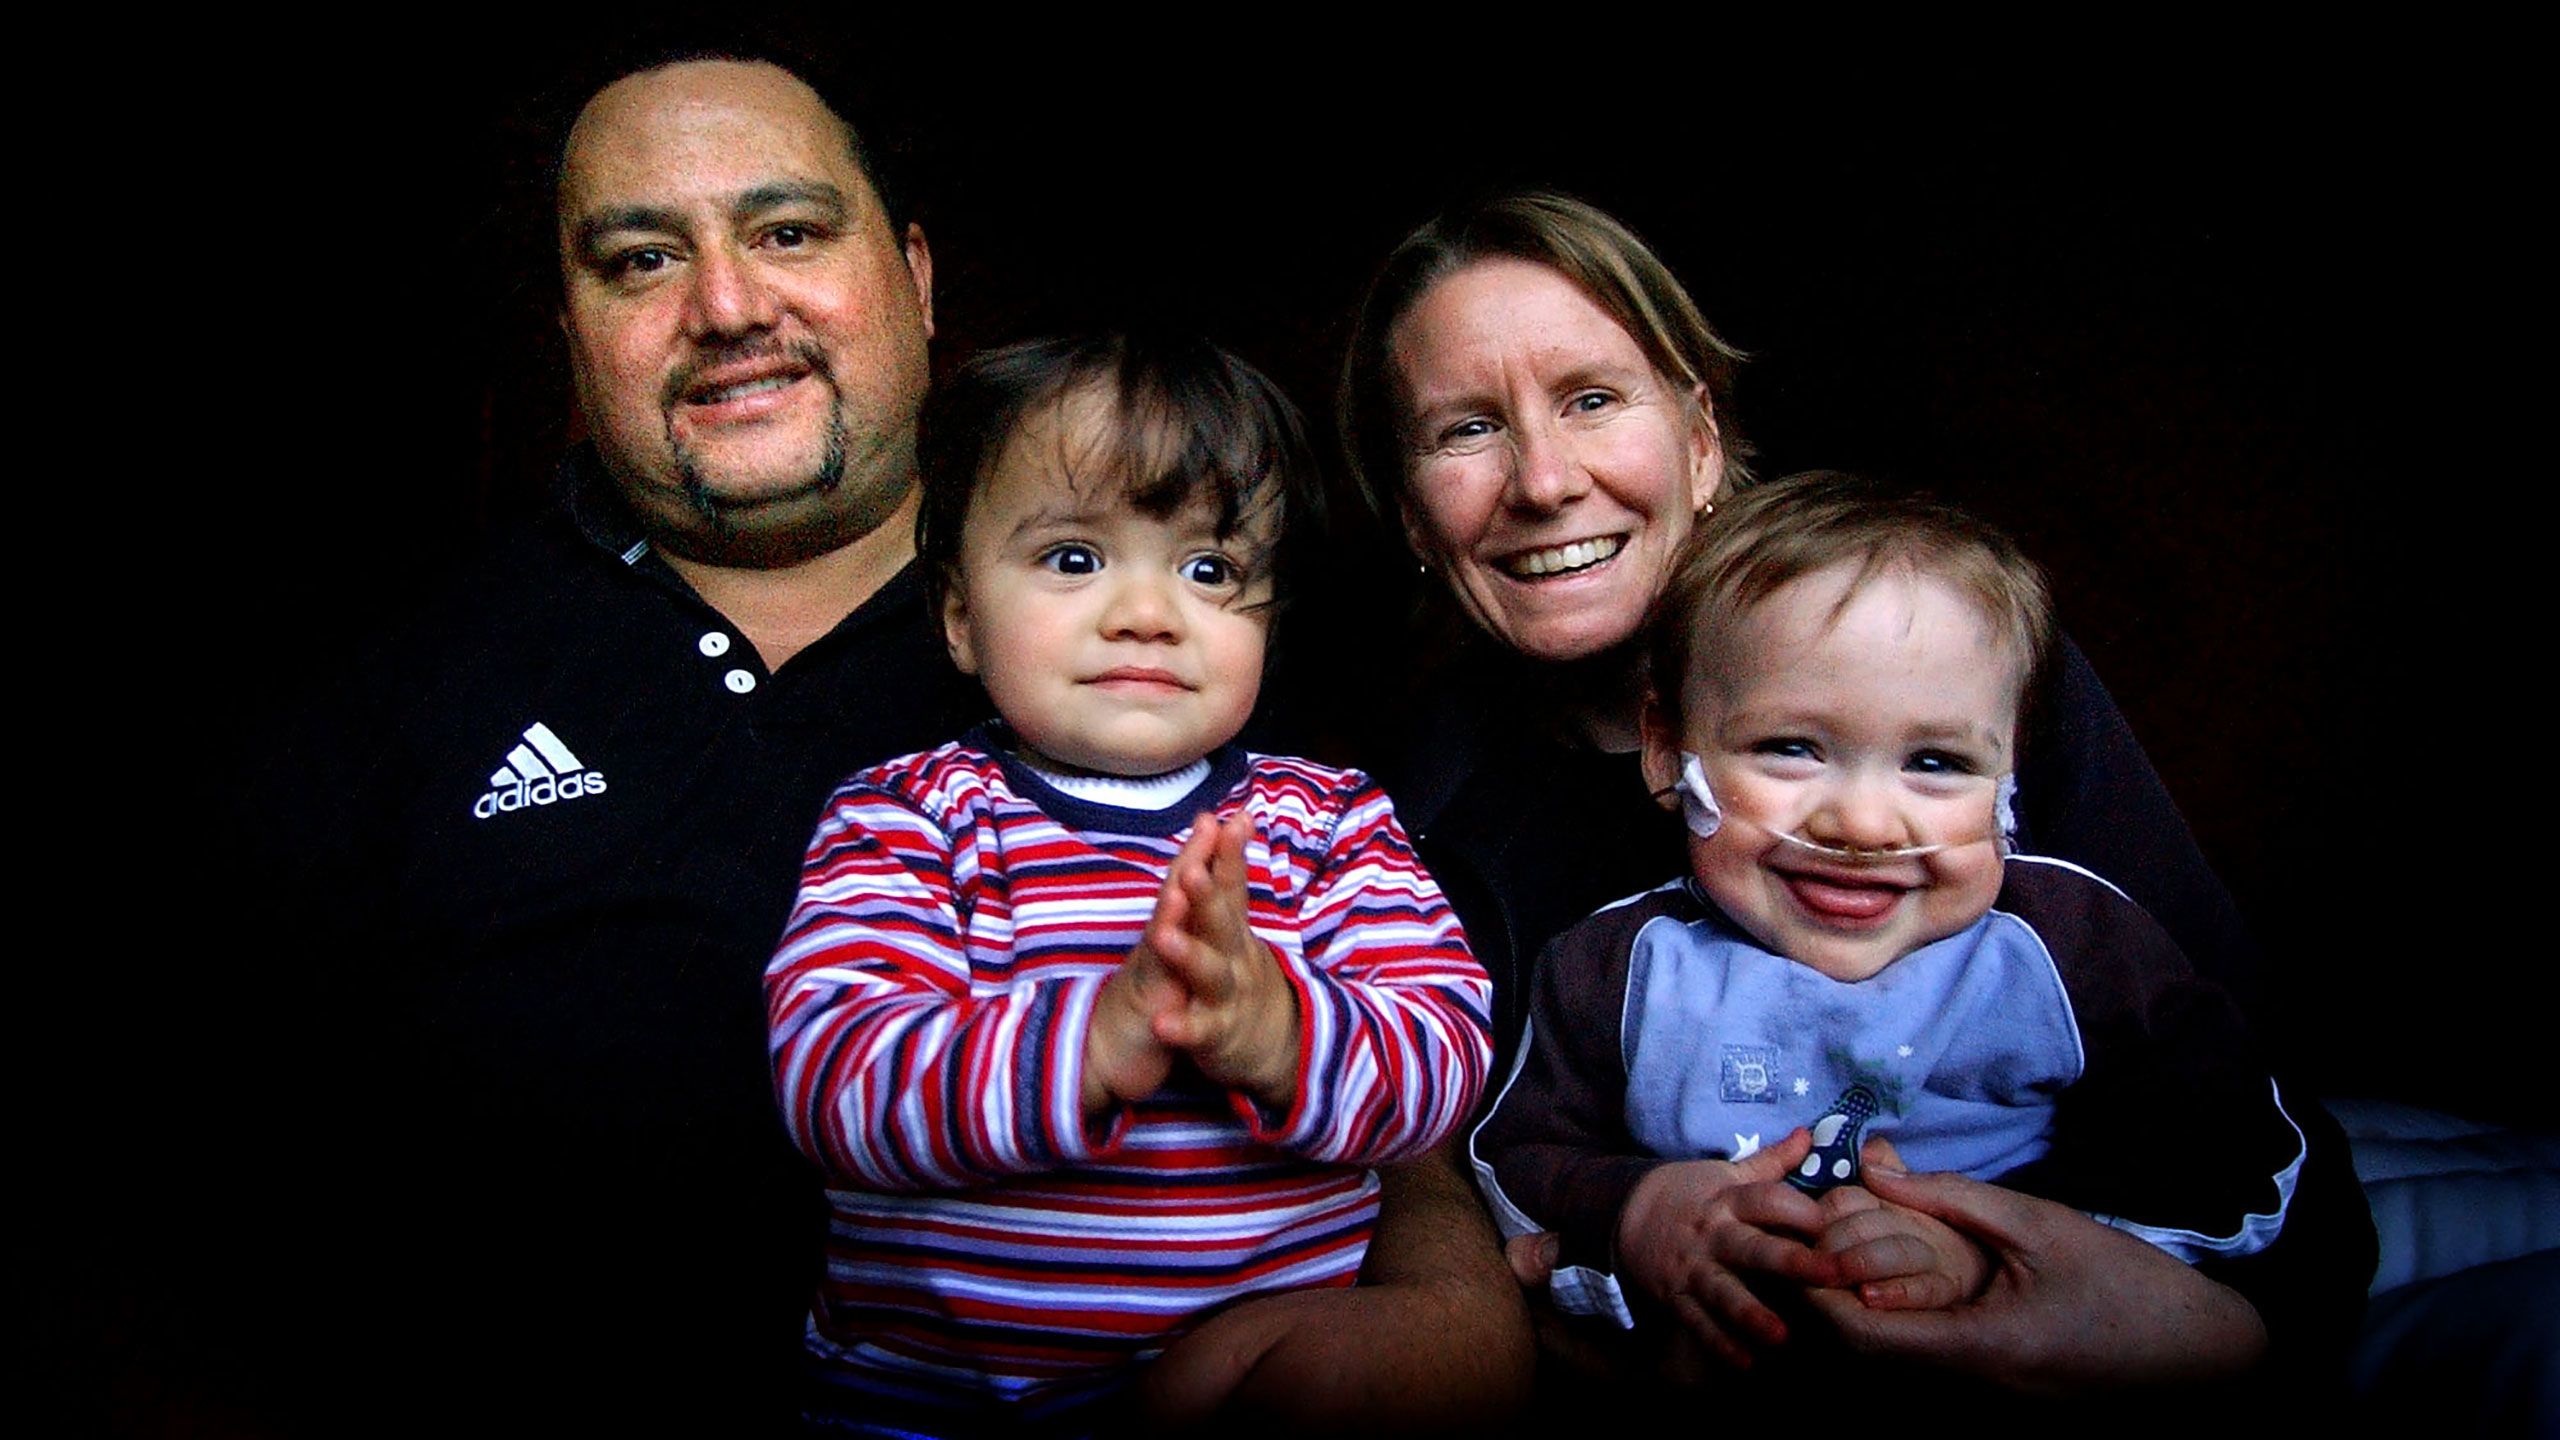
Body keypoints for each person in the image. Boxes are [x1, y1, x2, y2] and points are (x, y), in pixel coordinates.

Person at [178, 52, 1527, 1437]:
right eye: (641, 260)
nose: (726, 307)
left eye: (787, 232)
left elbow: (1415, 1063)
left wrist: (1451, 1304)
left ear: (917, 276)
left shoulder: (1193, 667)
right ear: (570, 328)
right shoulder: (403, 682)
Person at [1335, 190, 2375, 1403]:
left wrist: (2190, 1323)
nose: (1544, 480)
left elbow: (2251, 1125)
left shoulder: (1942, 658)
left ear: (1703, 440)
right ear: (1411, 510)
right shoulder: (1402, 813)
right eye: (1464, 430)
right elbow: (1467, 1172)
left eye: (1592, 398)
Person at [765, 333, 1492, 1426]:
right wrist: (1097, 1041)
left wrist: (1281, 1036)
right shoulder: (907, 819)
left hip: (1263, 1400)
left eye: (1209, 570)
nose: (1148, 613)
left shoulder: (1330, 823)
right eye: (1073, 558)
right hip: (928, 1409)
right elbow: (835, 1081)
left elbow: (1443, 1058)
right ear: (961, 614)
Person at [1471, 472, 2306, 1378]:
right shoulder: (1614, 969)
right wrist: (1639, 1212)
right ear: (1673, 752)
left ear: (2011, 779)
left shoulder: (2071, 944)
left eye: (1938, 762)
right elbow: (1514, 1158)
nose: (1865, 826)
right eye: (1790, 748)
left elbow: (2240, 1158)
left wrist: (1996, 1247)